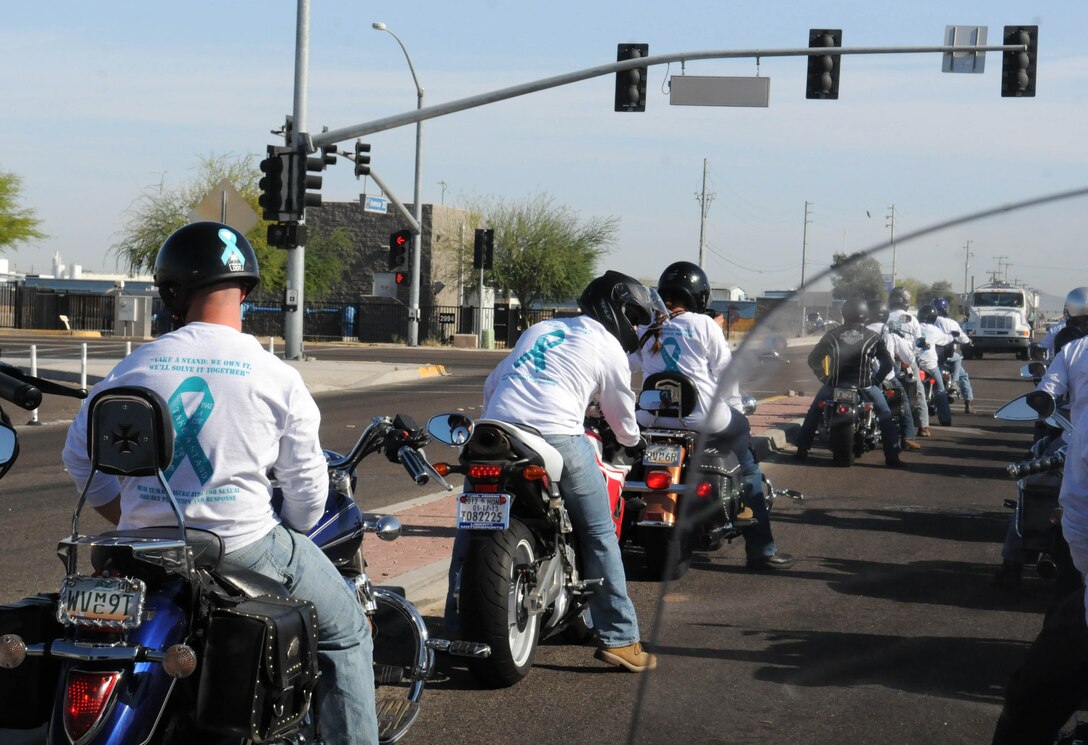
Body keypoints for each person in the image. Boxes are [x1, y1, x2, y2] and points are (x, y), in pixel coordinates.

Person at [60, 222, 379, 745]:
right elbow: (306, 493)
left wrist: (132, 519)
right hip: (243, 548)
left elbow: (78, 460)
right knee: (346, 636)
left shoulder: (133, 367)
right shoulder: (275, 375)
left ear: (172, 291)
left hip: (138, 551)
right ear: (245, 291)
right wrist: (292, 539)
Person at [460, 270, 658, 672]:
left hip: (494, 432)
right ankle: (620, 638)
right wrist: (635, 442)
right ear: (616, 309)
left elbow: (495, 380)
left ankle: (455, 621)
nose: (636, 326)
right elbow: (620, 414)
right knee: (600, 532)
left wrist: (494, 419)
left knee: (470, 531)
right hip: (558, 437)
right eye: (634, 316)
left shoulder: (540, 329)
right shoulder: (608, 348)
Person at [630, 261, 793, 570]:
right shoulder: (704, 325)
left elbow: (630, 365)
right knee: (746, 458)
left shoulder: (648, 325)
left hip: (651, 418)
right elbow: (725, 372)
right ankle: (761, 548)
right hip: (703, 419)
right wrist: (735, 404)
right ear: (698, 295)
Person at [990, 288, 1088, 743]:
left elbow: (1045, 395)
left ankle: (1013, 562)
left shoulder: (1070, 347)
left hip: (1077, 478)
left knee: (1029, 703)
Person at [793, 297, 905, 467]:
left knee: (814, 412)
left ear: (844, 314)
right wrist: (875, 380)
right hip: (864, 386)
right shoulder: (873, 337)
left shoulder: (832, 335)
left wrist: (823, 377)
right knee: (886, 415)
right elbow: (887, 364)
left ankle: (801, 449)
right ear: (866, 315)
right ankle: (892, 456)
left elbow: (813, 359)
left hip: (834, 385)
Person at [866, 301, 921, 451]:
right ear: (885, 316)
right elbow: (908, 358)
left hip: (862, 376)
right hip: (886, 377)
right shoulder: (889, 332)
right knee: (903, 402)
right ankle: (908, 437)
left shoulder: (863, 329)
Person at [886, 286, 932, 436]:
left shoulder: (886, 316)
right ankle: (923, 426)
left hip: (891, 358)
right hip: (908, 358)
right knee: (918, 391)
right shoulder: (912, 318)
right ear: (906, 301)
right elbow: (919, 342)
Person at [933, 296, 976, 414]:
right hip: (947, 355)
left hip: (931, 356)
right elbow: (963, 338)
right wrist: (969, 342)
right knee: (963, 375)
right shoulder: (950, 322)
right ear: (946, 309)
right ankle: (967, 401)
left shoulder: (927, 321)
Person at [916, 304, 954, 427]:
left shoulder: (915, 326)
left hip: (915, 364)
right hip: (930, 365)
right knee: (941, 390)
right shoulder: (934, 330)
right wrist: (952, 336)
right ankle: (945, 420)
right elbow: (945, 339)